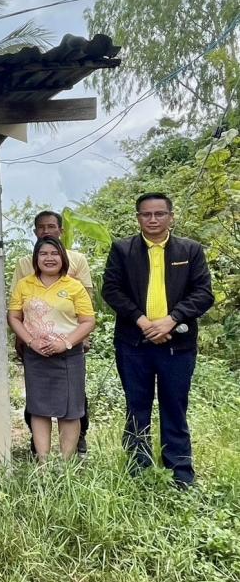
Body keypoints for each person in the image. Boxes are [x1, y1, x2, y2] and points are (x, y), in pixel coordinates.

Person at [102, 193, 213, 488]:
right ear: (137, 217)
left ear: (170, 217)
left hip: (177, 344)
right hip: (133, 344)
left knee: (174, 407)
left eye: (159, 214)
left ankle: (180, 476)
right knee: (136, 406)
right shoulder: (123, 250)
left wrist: (171, 319)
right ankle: (138, 472)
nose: (153, 220)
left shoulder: (190, 250)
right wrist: (141, 321)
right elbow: (111, 290)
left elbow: (203, 293)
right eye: (146, 214)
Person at [11, 210, 95, 454]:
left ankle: (67, 465)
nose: (49, 258)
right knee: (38, 408)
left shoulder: (74, 286)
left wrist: (67, 343)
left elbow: (88, 320)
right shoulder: (24, 284)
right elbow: (14, 317)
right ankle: (43, 465)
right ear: (35, 258)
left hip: (68, 355)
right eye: (43, 254)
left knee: (71, 409)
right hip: (36, 354)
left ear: (63, 257)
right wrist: (29, 342)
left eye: (54, 253)